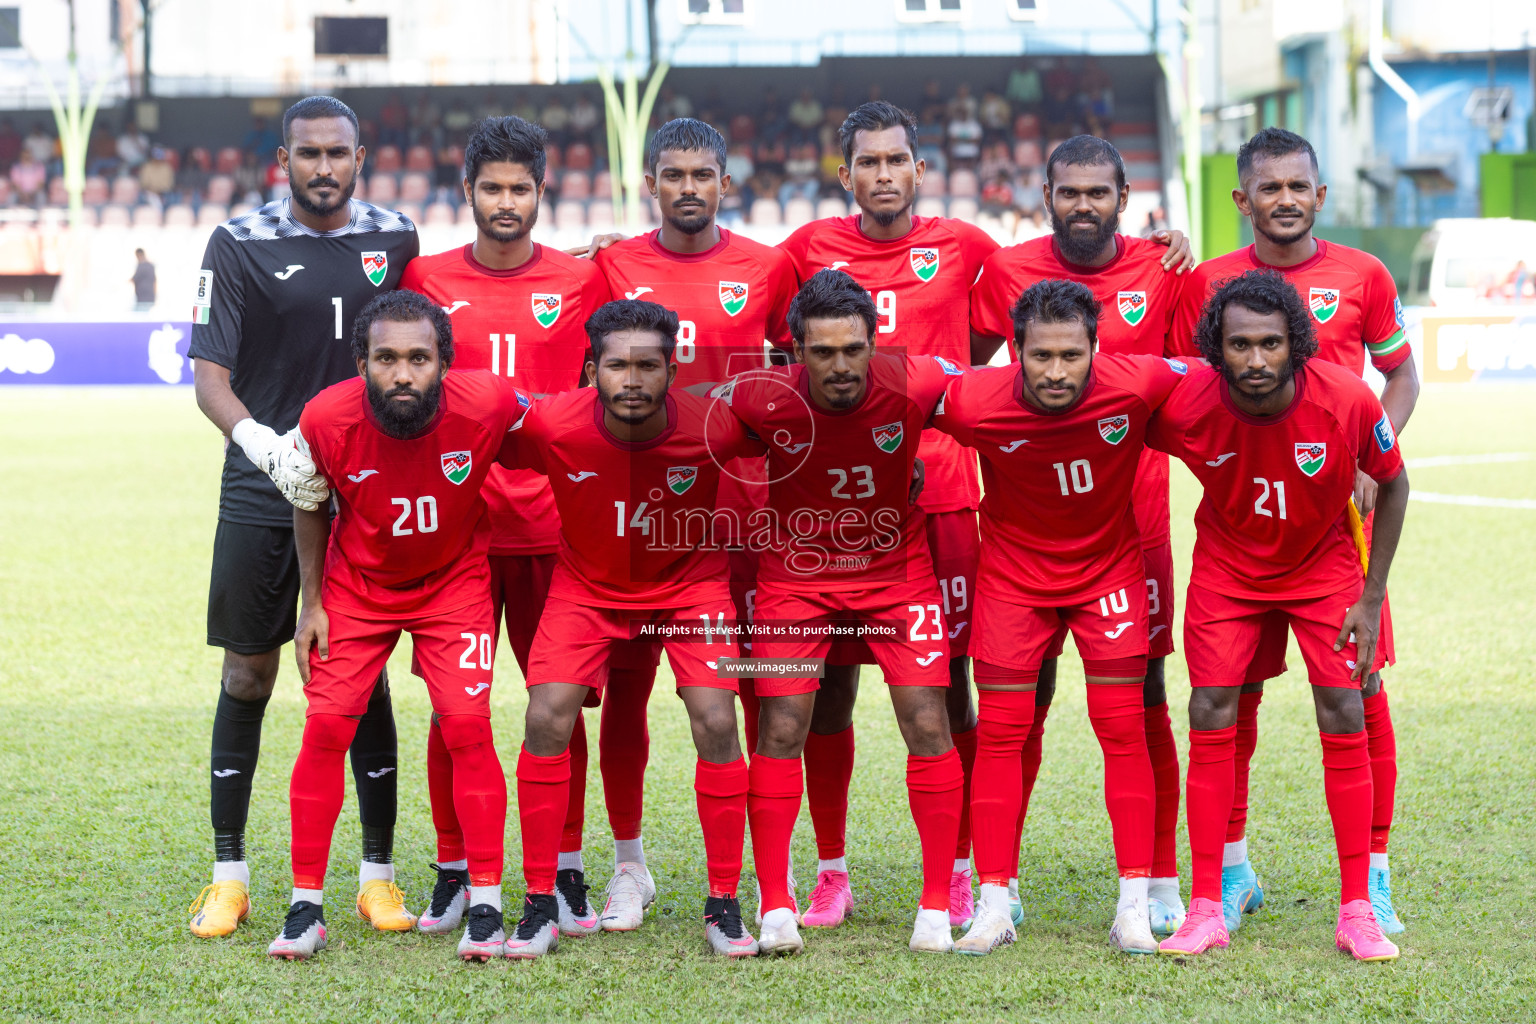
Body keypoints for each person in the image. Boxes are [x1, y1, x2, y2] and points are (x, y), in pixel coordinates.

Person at [1167, 127, 1420, 936]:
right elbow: (1179, 388)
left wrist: (1365, 454)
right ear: (1242, 198)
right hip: (1244, 511)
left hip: (1335, 510)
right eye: (1266, 187)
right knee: (1225, 699)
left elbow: (1398, 375)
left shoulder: (1364, 275)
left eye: (1296, 187)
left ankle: (1370, 881)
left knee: (1359, 695)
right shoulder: (1208, 283)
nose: (1283, 199)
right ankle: (1228, 875)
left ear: (1319, 194)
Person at [185, 95, 419, 940]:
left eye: (339, 153)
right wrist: (263, 443)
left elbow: (429, 339)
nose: (324, 168)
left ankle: (378, 879)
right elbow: (210, 375)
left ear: (364, 156)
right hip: (263, 482)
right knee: (248, 674)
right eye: (308, 154)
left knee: (361, 677)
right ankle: (229, 877)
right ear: (282, 159)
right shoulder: (238, 243)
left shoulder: (396, 238)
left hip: (363, 491)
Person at [776, 101, 999, 928]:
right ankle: (832, 871)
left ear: (918, 169)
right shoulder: (806, 253)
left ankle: (961, 866)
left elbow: (1047, 300)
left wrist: (1163, 249)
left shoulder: (968, 247)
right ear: (846, 175)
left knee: (952, 689)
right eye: (867, 162)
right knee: (827, 686)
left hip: (941, 500)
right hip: (835, 512)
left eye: (895, 160)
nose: (882, 175)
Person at [968, 134, 1195, 934]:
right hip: (1024, 529)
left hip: (1131, 525)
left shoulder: (1166, 270)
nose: (1085, 205)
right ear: (1046, 195)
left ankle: (1158, 880)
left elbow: (1209, 382)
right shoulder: (1005, 272)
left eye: (1100, 192)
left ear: (1126, 197)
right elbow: (960, 375)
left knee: (1144, 703)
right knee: (1017, 708)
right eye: (1070, 192)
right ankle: (997, 888)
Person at [580, 118, 800, 929]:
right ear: (650, 185)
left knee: (743, 689)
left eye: (702, 174)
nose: (687, 188)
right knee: (631, 689)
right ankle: (629, 865)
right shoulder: (614, 264)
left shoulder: (769, 268)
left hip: (743, 512)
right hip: (642, 514)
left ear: (725, 183)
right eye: (672, 175)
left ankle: (745, 874)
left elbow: (806, 368)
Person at [398, 115, 612, 938]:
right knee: (459, 709)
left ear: (541, 191)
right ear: (468, 193)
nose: (506, 201)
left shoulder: (579, 280)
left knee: (557, 707)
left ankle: (562, 869)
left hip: (560, 526)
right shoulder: (426, 276)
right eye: (492, 188)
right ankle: (454, 868)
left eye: (520, 187)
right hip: (456, 533)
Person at [711, 271, 967, 955]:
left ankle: (937, 908)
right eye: (822, 353)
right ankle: (775, 905)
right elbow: (682, 424)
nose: (840, 366)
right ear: (795, 351)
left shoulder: (915, 382)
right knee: (785, 722)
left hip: (896, 575)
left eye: (852, 349)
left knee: (926, 717)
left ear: (873, 342)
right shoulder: (761, 402)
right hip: (796, 579)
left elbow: (1002, 401)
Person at [497, 299, 763, 958]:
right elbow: (469, 434)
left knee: (718, 720)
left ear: (674, 370)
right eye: (618, 366)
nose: (634, 381)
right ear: (592, 369)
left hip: (690, 586)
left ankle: (724, 902)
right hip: (587, 588)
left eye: (649, 366)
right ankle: (537, 904)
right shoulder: (556, 424)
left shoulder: (717, 425)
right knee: (546, 715)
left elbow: (802, 428)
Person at [932, 279, 1187, 955]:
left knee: (1123, 730)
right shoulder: (973, 399)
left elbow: (1227, 386)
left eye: (1071, 355)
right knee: (1002, 736)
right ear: (1014, 351)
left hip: (1108, 577)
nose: (1055, 371)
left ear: (1096, 349)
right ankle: (993, 905)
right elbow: (893, 394)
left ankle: (1134, 906)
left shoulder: (1137, 383)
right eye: (1040, 355)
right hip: (1014, 584)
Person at [271, 290, 521, 962]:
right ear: (361, 362)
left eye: (418, 358)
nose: (402, 373)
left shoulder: (490, 403)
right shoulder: (326, 417)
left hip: (455, 582)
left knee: (467, 726)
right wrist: (312, 605)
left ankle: (488, 906)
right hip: (358, 588)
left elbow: (556, 437)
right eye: (386, 358)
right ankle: (306, 908)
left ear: (445, 362)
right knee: (326, 728)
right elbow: (308, 499)